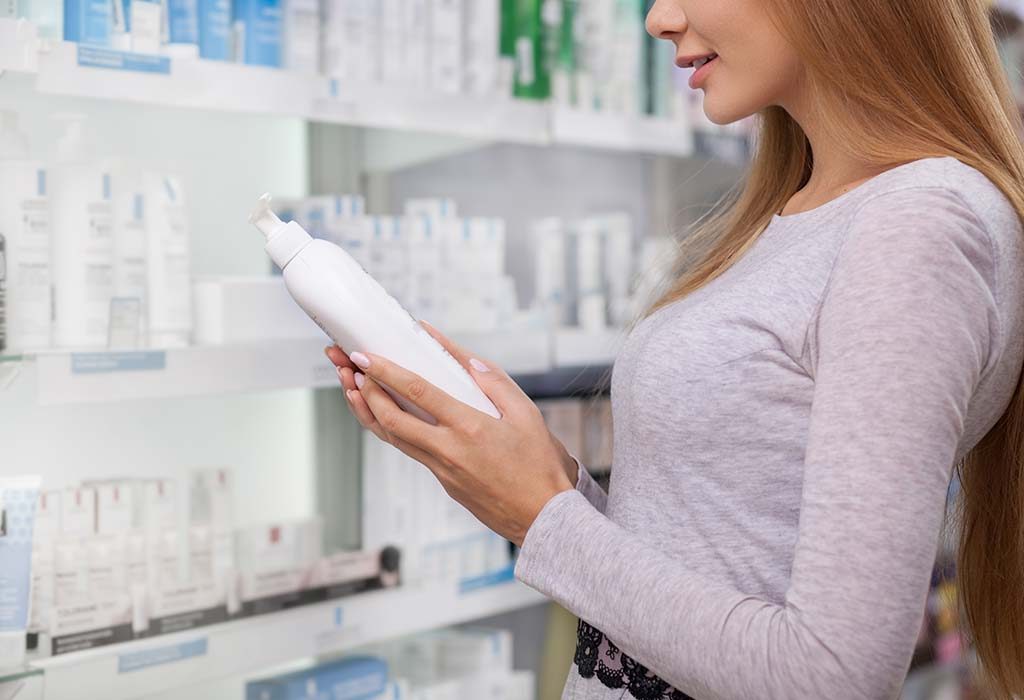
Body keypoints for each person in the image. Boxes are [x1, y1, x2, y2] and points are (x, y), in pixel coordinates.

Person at [326, 0, 1024, 697]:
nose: (659, 18)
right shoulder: (810, 206)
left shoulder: (918, 225)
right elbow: (712, 549)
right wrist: (542, 478)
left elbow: (830, 677)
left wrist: (541, 518)